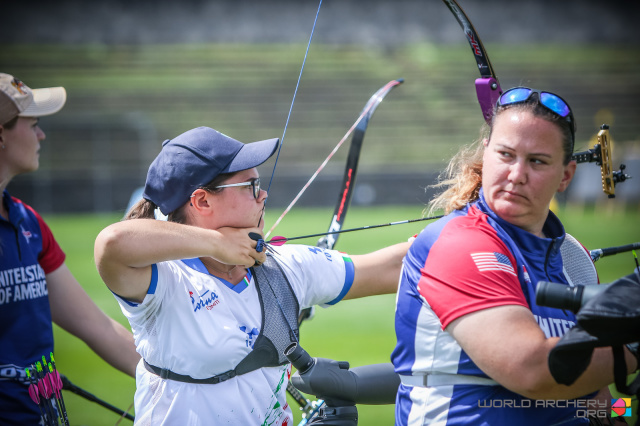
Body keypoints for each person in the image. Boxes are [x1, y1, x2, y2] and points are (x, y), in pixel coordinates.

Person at [94, 125, 409, 425]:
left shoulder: (285, 267)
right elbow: (112, 243)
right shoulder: (164, 280)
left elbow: (397, 267)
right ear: (202, 200)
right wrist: (219, 244)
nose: (264, 195)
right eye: (251, 186)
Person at [391, 87, 640, 425]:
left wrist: (618, 415)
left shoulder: (572, 259)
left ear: (565, 176)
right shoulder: (463, 244)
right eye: (506, 155)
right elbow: (532, 370)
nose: (516, 174)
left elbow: (597, 399)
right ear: (486, 154)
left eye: (537, 161)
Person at [0, 73, 141, 425]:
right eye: (32, 124)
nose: (41, 134)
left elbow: (96, 327)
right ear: (1, 132)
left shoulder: (27, 221)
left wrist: (183, 377)